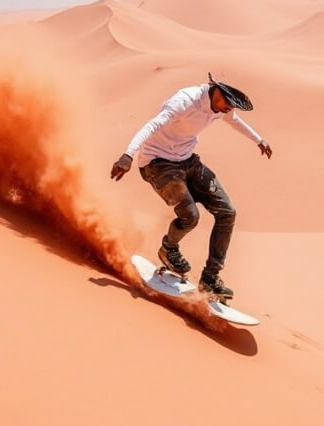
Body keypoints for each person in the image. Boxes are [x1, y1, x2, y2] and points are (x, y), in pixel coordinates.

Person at [110, 73, 272, 299]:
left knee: (227, 212)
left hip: (187, 161)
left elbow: (235, 120)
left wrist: (259, 140)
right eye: (226, 104)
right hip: (157, 163)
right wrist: (127, 155)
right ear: (216, 91)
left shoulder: (222, 107)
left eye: (231, 106)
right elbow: (152, 125)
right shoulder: (184, 101)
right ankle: (168, 249)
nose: (227, 110)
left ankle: (210, 278)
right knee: (190, 216)